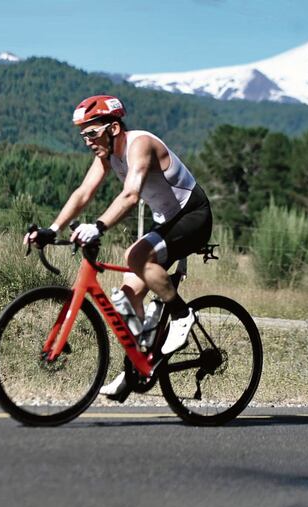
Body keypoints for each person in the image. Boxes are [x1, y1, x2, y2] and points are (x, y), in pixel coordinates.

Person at [24, 94, 213, 399]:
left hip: (194, 216)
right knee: (128, 297)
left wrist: (97, 226)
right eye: (82, 134)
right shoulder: (107, 155)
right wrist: (53, 228)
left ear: (113, 128)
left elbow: (130, 196)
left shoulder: (141, 145)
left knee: (135, 255)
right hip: (167, 221)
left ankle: (181, 315)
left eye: (91, 132)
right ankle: (137, 368)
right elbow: (84, 192)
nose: (86, 140)